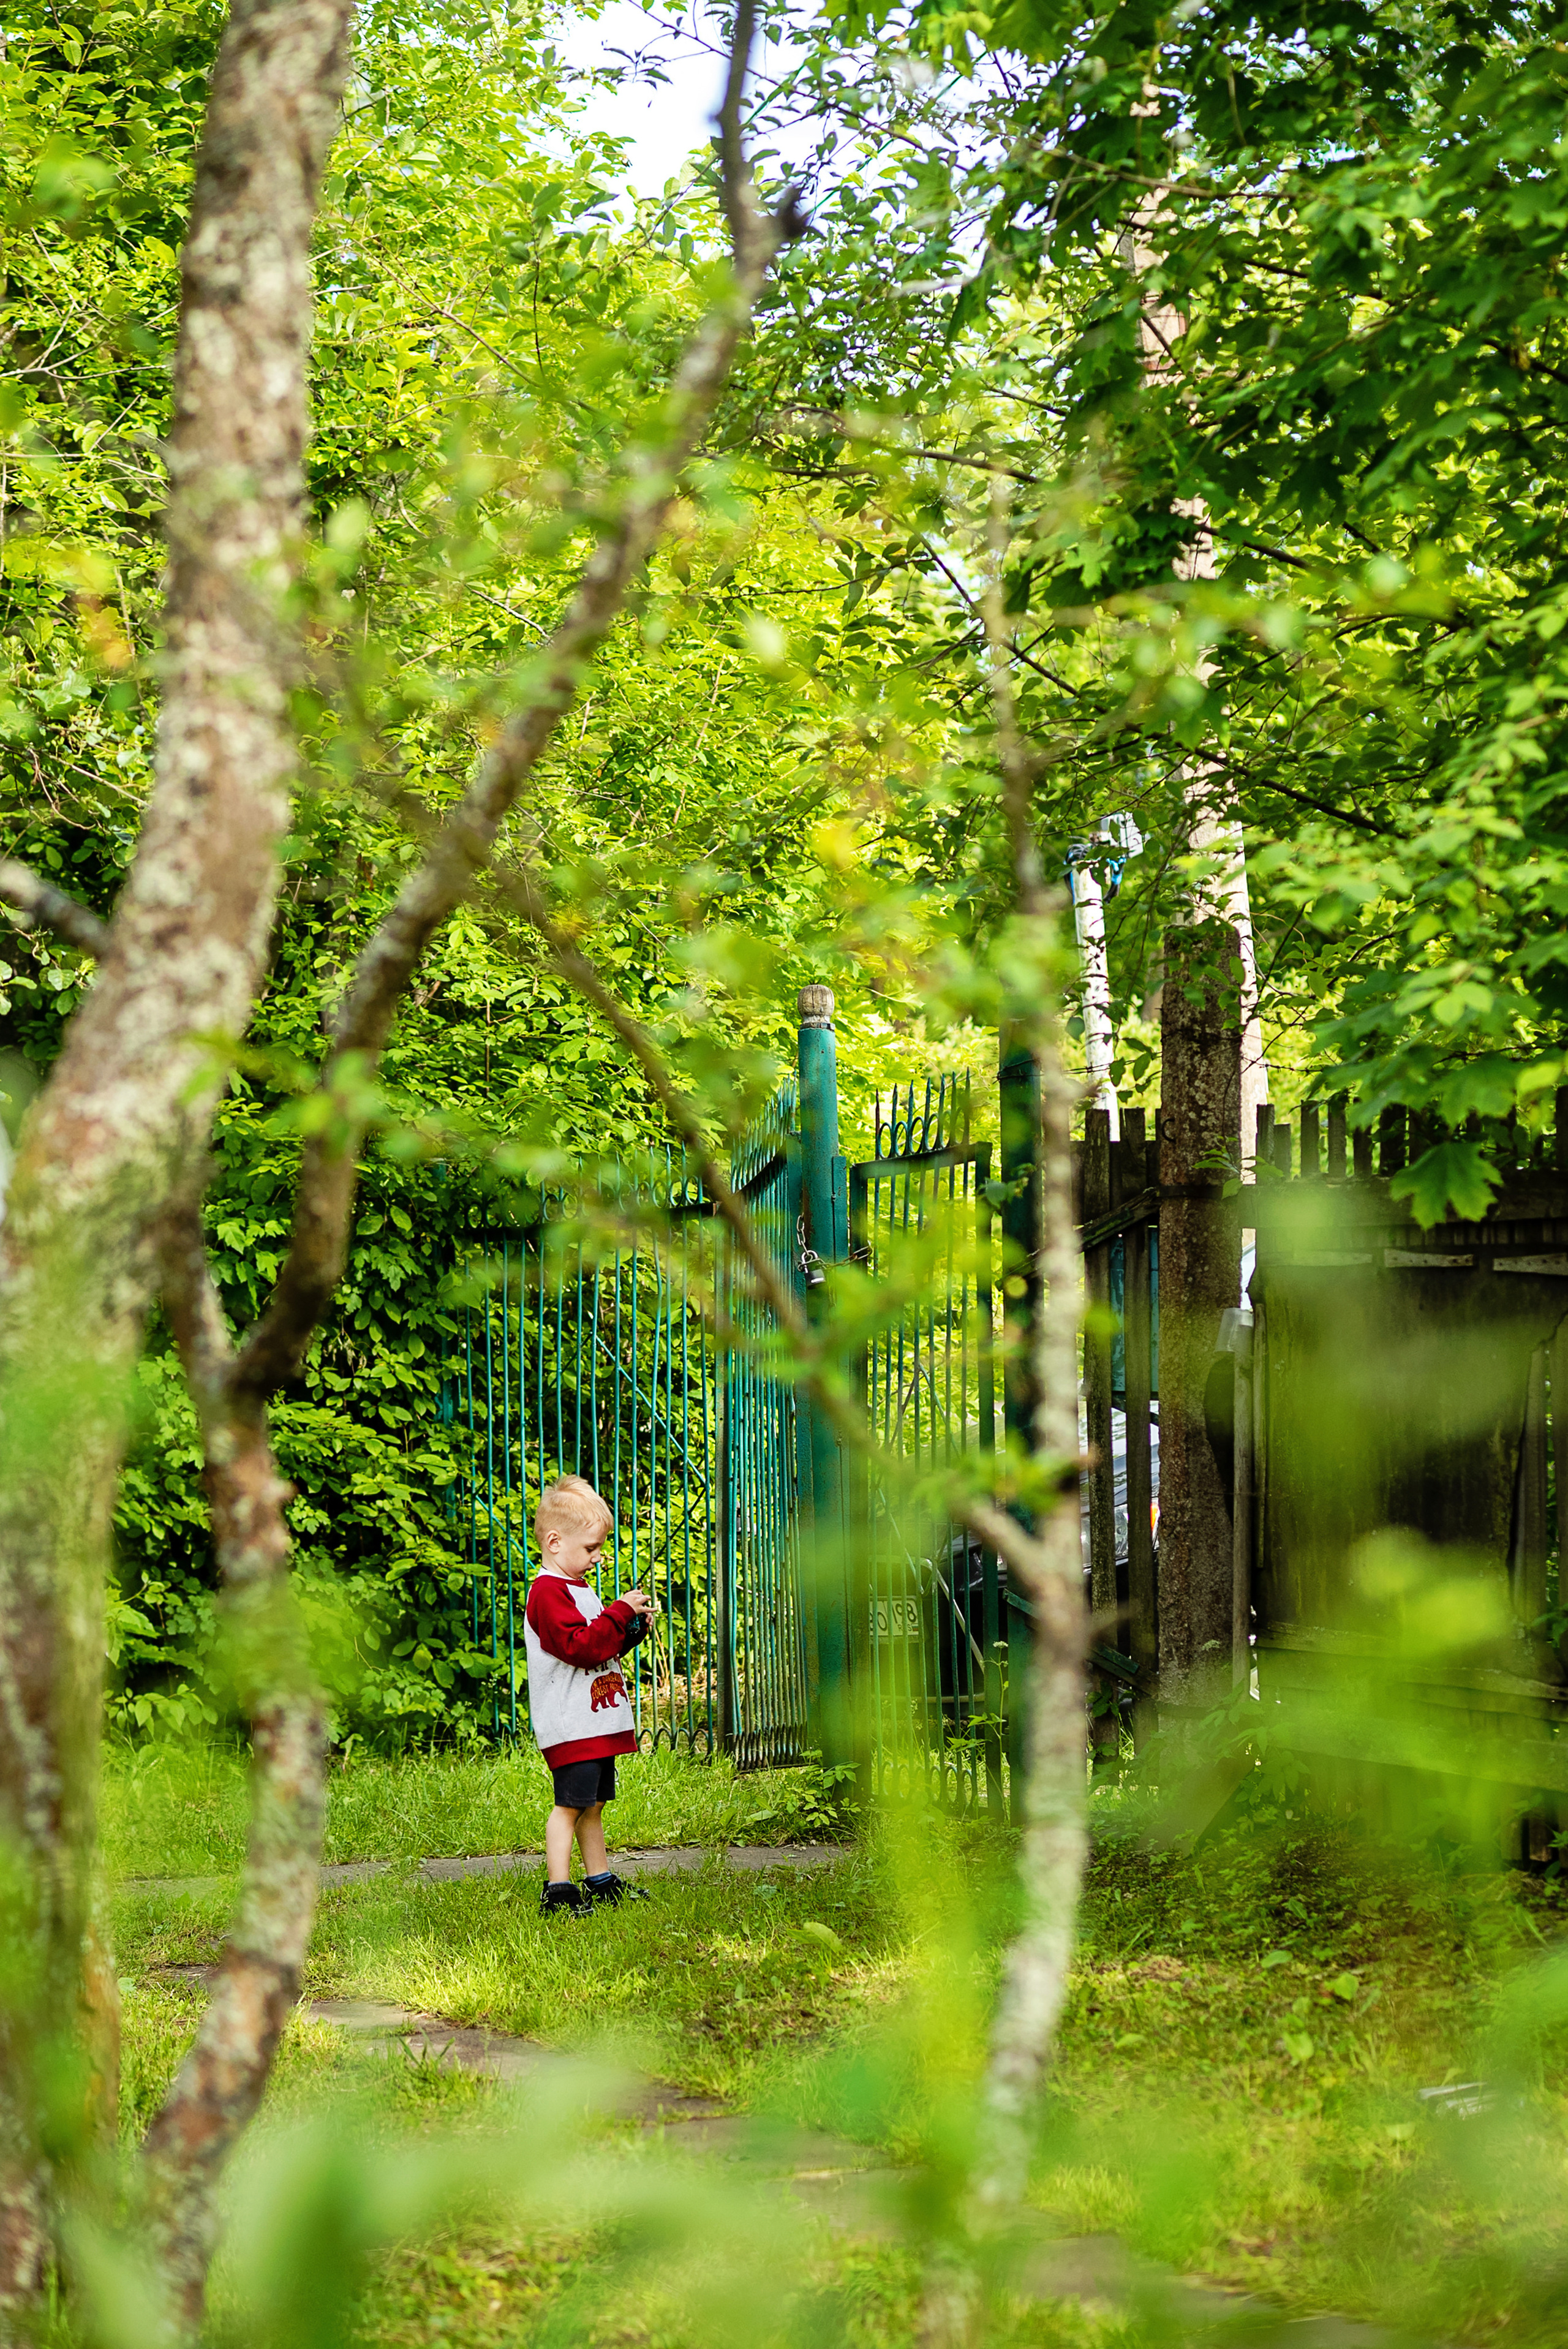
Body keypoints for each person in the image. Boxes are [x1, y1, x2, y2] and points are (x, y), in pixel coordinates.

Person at [524, 1473, 655, 1917]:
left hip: (592, 1721)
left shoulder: (577, 1588)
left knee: (593, 1804)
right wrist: (618, 1611)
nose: (598, 1558)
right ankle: (558, 1891)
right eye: (591, 1548)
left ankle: (599, 1880)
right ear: (556, 1541)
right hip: (570, 1724)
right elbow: (579, 1648)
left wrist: (629, 1629)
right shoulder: (546, 1592)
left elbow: (601, 1645)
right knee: (569, 1806)